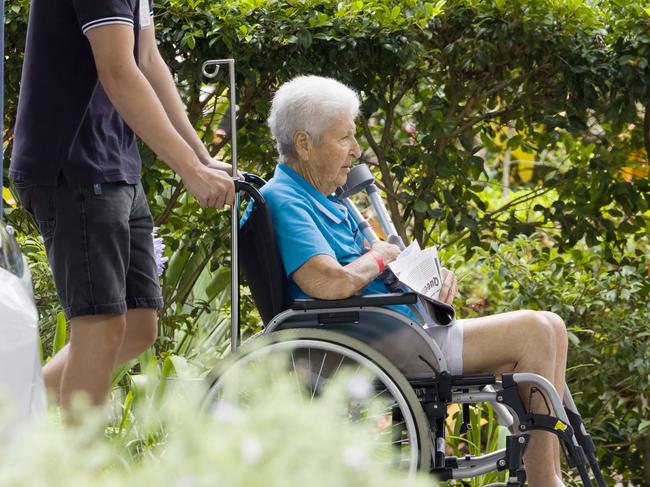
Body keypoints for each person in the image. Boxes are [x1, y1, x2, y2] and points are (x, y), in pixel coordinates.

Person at [257, 75, 568, 487]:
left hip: (393, 329)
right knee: (535, 332)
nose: (355, 150)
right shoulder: (287, 199)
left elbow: (388, 262)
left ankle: (545, 475)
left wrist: (427, 281)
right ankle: (544, 482)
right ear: (304, 143)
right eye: (344, 138)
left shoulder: (329, 199)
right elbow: (328, 283)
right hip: (372, 340)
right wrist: (377, 258)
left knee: (551, 327)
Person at [9, 0, 235, 414]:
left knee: (137, 327)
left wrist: (200, 156)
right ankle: (80, 471)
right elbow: (116, 70)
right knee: (99, 327)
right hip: (73, 167)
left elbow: (147, 60)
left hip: (115, 165)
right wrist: (188, 168)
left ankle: (17, 413)